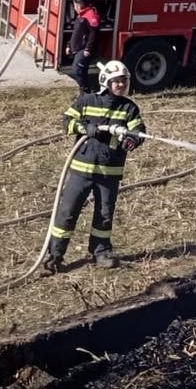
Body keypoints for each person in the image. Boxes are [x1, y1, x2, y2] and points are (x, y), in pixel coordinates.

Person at [42, 60, 146, 273]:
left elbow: (139, 129)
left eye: (123, 81)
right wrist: (85, 127)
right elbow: (66, 122)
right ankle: (55, 256)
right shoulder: (87, 101)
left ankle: (101, 252)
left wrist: (133, 140)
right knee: (67, 213)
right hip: (82, 169)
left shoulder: (129, 108)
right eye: (116, 81)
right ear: (106, 81)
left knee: (104, 213)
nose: (120, 85)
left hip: (110, 172)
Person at [68, 0, 100, 93]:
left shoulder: (90, 15)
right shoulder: (81, 15)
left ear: (80, 4)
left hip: (83, 50)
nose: (74, 8)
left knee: (76, 71)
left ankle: (85, 91)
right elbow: (76, 33)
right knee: (82, 71)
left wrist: (88, 49)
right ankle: (84, 93)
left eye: (75, 5)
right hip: (78, 48)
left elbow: (93, 34)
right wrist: (69, 45)